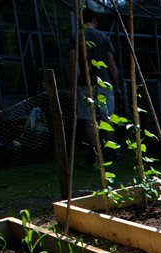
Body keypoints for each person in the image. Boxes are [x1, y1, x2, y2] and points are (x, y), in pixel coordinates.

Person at [68, 8, 122, 159]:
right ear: (94, 20)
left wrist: (71, 87)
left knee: (89, 118)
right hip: (104, 83)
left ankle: (94, 152)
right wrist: (117, 87)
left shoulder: (76, 36)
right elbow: (112, 65)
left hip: (85, 84)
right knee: (107, 117)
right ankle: (111, 151)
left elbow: (72, 63)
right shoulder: (104, 38)